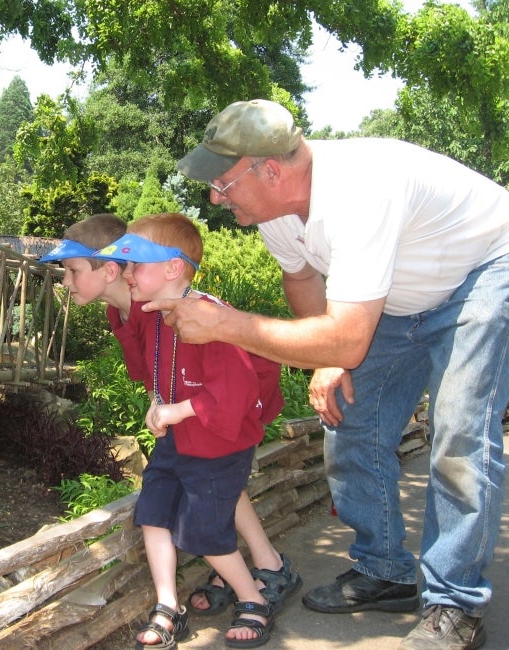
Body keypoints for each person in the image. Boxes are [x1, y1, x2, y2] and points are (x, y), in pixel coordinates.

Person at [147, 98, 509, 650]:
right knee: (349, 418)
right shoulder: (273, 212)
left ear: (269, 169)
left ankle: (454, 604)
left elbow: (346, 333)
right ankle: (384, 573)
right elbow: (303, 280)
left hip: (483, 271)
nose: (215, 198)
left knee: (459, 434)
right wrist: (325, 355)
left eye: (223, 183)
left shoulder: (360, 191)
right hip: (394, 301)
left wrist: (228, 324)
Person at [40, 214, 302, 628]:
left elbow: (231, 378)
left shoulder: (166, 306)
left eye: (72, 271)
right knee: (209, 482)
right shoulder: (126, 311)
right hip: (193, 411)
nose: (66, 282)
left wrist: (180, 410)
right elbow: (151, 371)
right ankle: (249, 568)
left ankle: (263, 570)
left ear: (110, 269)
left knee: (216, 480)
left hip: (234, 401)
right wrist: (160, 406)